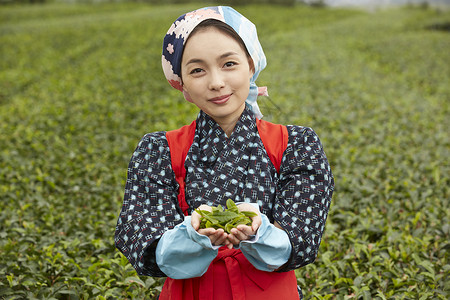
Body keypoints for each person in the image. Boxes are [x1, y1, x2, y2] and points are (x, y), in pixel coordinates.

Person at [115, 6, 334, 300]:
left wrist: (260, 233)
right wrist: (192, 237)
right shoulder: (159, 150)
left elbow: (301, 241)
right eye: (197, 70)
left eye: (228, 64)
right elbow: (142, 238)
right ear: (182, 84)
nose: (216, 82)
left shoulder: (297, 145)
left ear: (251, 64)